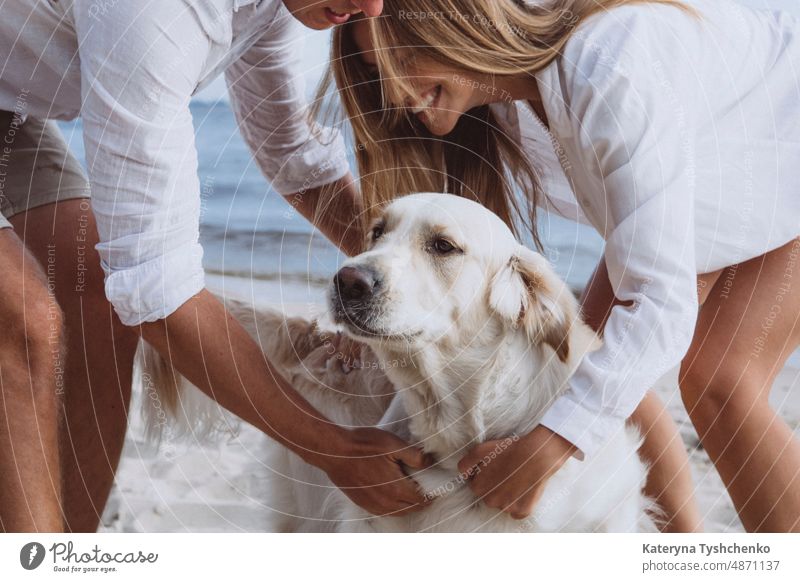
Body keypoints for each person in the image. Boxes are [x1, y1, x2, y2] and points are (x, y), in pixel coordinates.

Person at [330, 0, 800, 531]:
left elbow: (661, 307)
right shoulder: (502, 108)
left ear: (454, 24)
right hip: (729, 177)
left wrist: (551, 444)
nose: (393, 92)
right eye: (375, 73)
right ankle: (681, 554)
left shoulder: (610, 65)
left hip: (786, 127)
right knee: (587, 356)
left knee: (720, 381)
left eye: (399, 58)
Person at [0, 0, 434, 533]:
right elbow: (156, 288)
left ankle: (67, 550)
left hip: (11, 101)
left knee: (98, 297)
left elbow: (292, 152)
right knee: (24, 323)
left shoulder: (281, 7)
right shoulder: (156, 15)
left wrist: (400, 278)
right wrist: (331, 447)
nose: (372, 7)